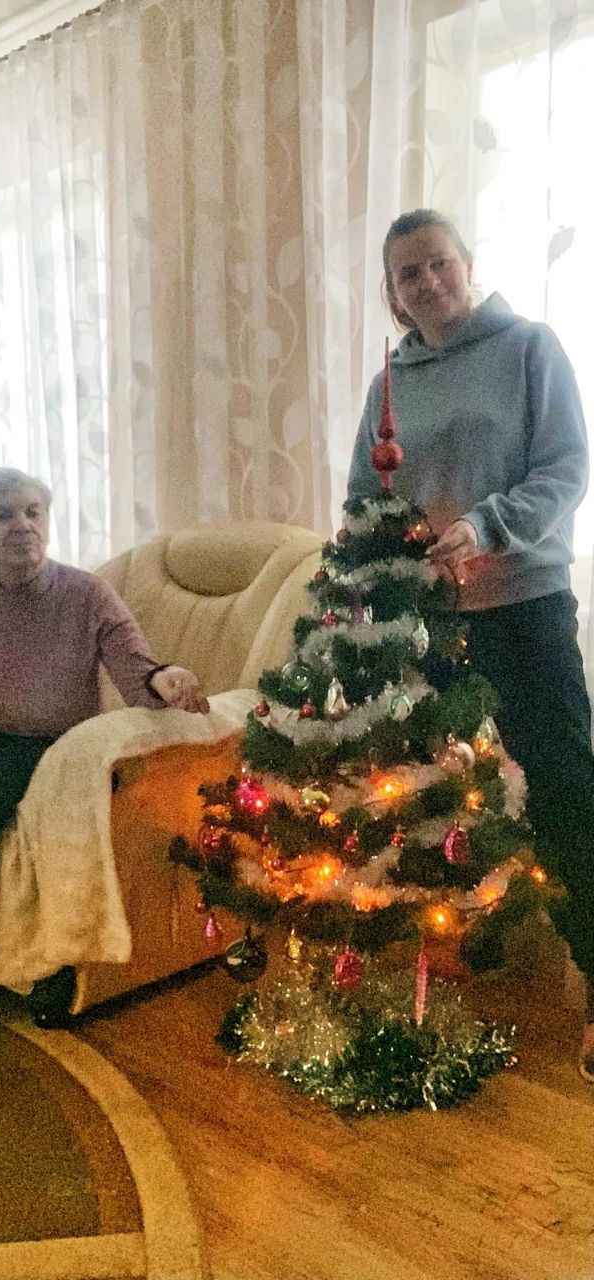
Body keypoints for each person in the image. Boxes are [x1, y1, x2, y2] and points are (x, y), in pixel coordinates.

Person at [348, 208, 594, 1081]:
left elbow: (566, 469)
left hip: (522, 609)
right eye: (407, 274)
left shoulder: (529, 348)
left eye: (438, 263)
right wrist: (370, 574)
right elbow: (363, 498)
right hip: (425, 620)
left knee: (563, 792)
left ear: (466, 263)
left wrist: (485, 527)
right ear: (392, 293)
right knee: (433, 796)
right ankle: (456, 952)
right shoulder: (389, 381)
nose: (427, 283)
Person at [0, 467, 209, 1072]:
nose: (23, 525)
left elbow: (136, 667)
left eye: (33, 511)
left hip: (42, 747)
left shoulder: (86, 594)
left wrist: (165, 678)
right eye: (3, 515)